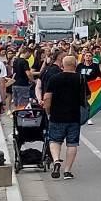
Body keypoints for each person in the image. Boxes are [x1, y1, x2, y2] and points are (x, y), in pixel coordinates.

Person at [40, 47, 88, 180]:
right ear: (75, 65)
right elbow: (87, 96)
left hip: (57, 114)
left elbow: (47, 97)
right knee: (72, 144)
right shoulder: (81, 79)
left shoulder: (55, 78)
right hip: (74, 116)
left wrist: (48, 111)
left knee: (55, 140)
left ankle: (56, 160)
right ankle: (67, 171)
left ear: (63, 64)